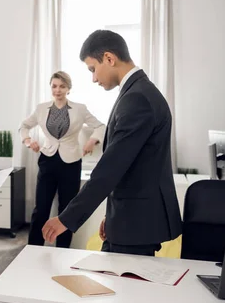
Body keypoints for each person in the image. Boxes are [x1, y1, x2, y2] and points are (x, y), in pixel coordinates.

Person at [42, 30, 182, 256]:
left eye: (92, 69)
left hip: (136, 222)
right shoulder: (137, 92)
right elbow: (131, 167)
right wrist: (112, 216)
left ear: (109, 58)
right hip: (130, 217)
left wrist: (66, 218)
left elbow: (110, 168)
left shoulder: (137, 98)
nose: (94, 78)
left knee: (123, 289)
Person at [19, 71, 105, 248]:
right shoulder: (41, 108)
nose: (57, 90)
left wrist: (92, 140)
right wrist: (28, 141)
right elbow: (24, 126)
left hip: (71, 163)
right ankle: (33, 249)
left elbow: (101, 126)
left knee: (66, 211)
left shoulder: (79, 109)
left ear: (68, 89)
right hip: (47, 160)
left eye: (62, 86)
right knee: (41, 209)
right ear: (51, 87)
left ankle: (63, 250)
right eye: (54, 86)